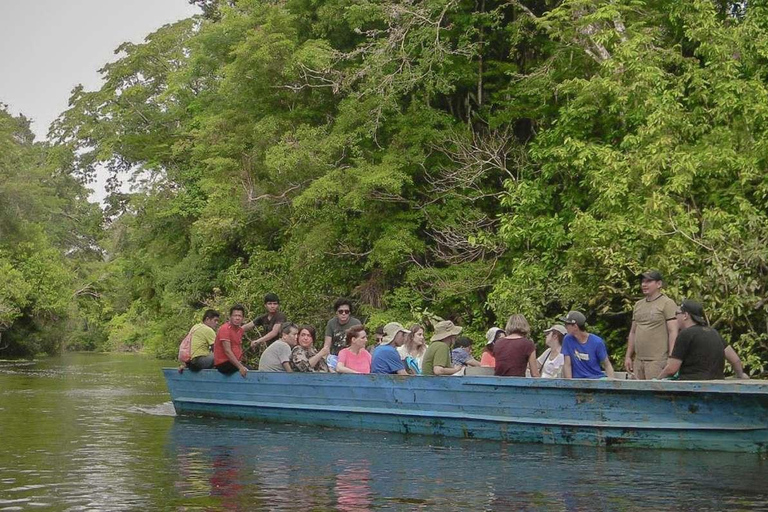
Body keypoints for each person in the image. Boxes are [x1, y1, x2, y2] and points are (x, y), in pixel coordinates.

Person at [658, 300, 749, 380]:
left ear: (685, 315)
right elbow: (735, 360)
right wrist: (740, 375)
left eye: (677, 314)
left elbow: (672, 369)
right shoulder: (713, 332)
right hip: (716, 384)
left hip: (692, 385)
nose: (676, 318)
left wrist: (656, 380)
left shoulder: (685, 334)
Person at [625, 271, 678, 380]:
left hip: (657, 361)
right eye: (643, 282)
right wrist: (628, 356)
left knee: (656, 394)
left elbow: (673, 331)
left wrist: (671, 357)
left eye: (649, 281)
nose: (644, 284)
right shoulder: (638, 305)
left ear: (659, 284)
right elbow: (633, 332)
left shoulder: (667, 303)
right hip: (638, 361)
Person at [561, 311, 615, 379]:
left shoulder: (597, 342)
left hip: (596, 380)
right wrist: (570, 384)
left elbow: (607, 364)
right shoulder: (567, 339)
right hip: (577, 382)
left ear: (575, 326)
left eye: (567, 324)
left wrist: (611, 383)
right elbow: (567, 364)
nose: (565, 326)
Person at [213, 305, 249, 378]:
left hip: (233, 363)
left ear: (243, 318)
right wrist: (240, 367)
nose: (237, 318)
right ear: (230, 317)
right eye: (235, 315)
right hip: (223, 363)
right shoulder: (225, 329)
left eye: (239, 316)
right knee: (249, 371)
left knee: (252, 370)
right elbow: (227, 351)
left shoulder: (239, 330)